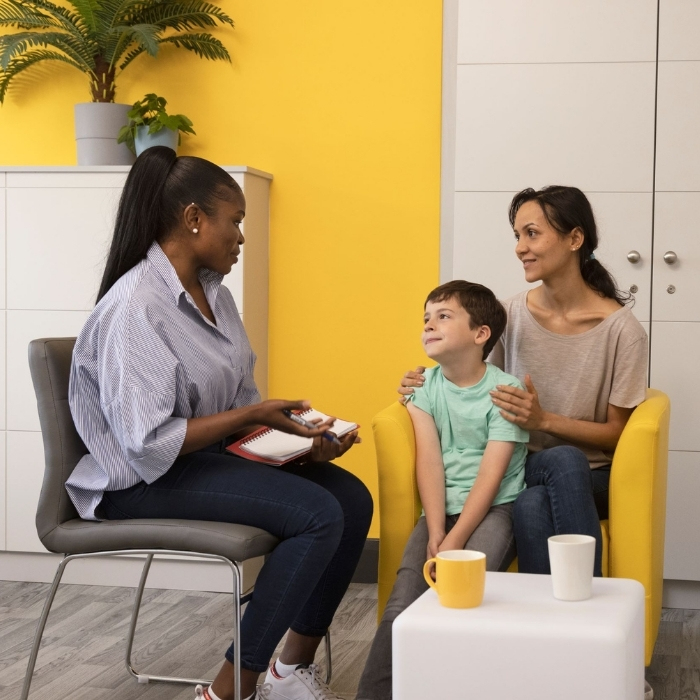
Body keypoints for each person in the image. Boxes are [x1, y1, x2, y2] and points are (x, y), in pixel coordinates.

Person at [67, 146, 373, 700]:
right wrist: (253, 414)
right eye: (235, 221)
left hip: (196, 462)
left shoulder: (216, 296)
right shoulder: (135, 309)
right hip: (137, 483)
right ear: (193, 219)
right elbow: (148, 445)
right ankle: (228, 691)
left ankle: (288, 671)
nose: (241, 236)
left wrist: (302, 448)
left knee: (349, 498)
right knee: (317, 513)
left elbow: (238, 414)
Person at [398, 186, 652, 699]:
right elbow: (471, 385)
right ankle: (576, 646)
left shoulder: (621, 330)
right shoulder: (509, 313)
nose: (520, 246)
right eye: (518, 235)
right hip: (519, 467)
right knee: (534, 498)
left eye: (532, 233)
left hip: (593, 472)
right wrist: (422, 383)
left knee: (560, 462)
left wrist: (546, 418)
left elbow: (618, 432)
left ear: (575, 239)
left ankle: (578, 639)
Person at [356, 280, 529, 700]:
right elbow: (429, 463)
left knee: (460, 594)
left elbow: (491, 477)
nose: (429, 325)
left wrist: (453, 540)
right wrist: (435, 530)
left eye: (443, 316)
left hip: (494, 509)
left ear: (480, 334)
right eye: (426, 318)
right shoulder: (422, 388)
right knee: (400, 609)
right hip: (439, 510)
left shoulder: (506, 393)